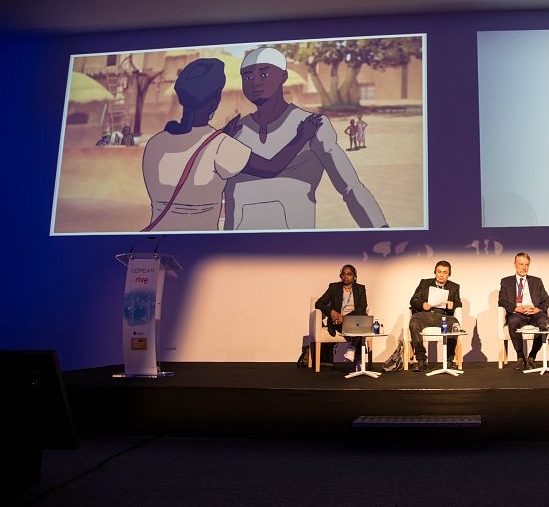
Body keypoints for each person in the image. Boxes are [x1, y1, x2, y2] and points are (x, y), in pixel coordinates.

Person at [142, 58, 321, 232]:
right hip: (198, 245)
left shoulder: (155, 143)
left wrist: (220, 136)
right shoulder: (221, 146)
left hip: (158, 240)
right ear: (216, 100)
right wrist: (302, 136)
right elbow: (271, 168)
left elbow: (191, 155)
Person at [223, 47, 387, 230]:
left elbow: (351, 187)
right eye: (247, 77)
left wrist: (380, 230)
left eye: (264, 74)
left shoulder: (313, 125)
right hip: (236, 247)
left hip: (293, 246)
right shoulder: (234, 131)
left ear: (283, 77)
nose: (255, 82)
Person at [498, 252, 549, 370]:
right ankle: (520, 357)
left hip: (535, 314)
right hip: (518, 313)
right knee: (512, 322)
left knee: (544, 323)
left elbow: (548, 301)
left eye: (527, 264)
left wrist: (537, 309)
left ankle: (532, 356)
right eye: (521, 264)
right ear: (515, 264)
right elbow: (502, 302)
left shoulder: (536, 281)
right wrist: (517, 308)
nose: (524, 267)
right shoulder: (506, 282)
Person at [408, 260, 462, 372]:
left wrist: (453, 304)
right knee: (414, 322)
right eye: (439, 272)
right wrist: (422, 304)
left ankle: (449, 360)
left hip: (443, 316)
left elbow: (458, 303)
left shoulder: (454, 287)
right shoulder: (424, 283)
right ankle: (421, 360)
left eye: (445, 272)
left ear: (449, 274)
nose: (442, 275)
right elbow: (413, 300)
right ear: (435, 272)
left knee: (454, 324)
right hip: (425, 314)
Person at [315, 264, 368, 370]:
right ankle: (358, 359)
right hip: (338, 320)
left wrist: (346, 317)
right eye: (343, 274)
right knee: (359, 327)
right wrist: (331, 311)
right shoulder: (334, 287)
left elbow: (362, 307)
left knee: (359, 320)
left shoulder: (360, 288)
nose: (346, 276)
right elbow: (319, 303)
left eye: (349, 274)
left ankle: (351, 349)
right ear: (341, 276)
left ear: (354, 276)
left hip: (353, 317)